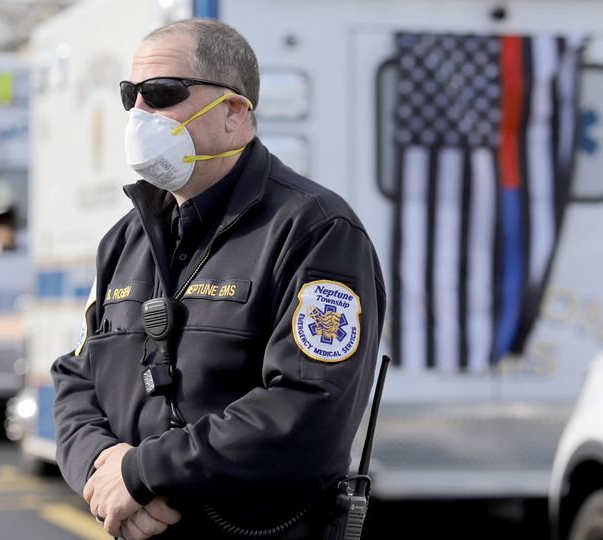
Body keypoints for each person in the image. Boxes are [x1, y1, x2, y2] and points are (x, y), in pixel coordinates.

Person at [51, 18, 386, 540]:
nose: (139, 113)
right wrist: (102, 468)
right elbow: (76, 377)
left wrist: (143, 473)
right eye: (130, 95)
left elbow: (308, 410)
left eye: (162, 93)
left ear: (234, 112)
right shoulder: (125, 238)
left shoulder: (315, 230)